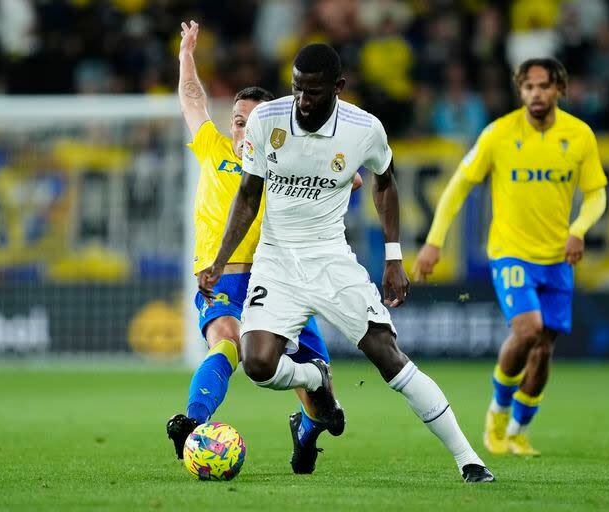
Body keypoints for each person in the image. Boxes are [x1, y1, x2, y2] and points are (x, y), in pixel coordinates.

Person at [198, 43, 494, 483]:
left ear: (338, 88)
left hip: (331, 259)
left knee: (387, 357)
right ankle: (315, 377)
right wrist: (220, 260)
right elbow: (248, 194)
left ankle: (469, 459)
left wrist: (394, 257)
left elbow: (385, 183)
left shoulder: (363, 129)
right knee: (257, 365)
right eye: (297, 89)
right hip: (276, 261)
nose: (302, 100)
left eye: (314, 92)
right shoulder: (267, 119)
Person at [167, 22, 360, 474]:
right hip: (223, 277)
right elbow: (193, 100)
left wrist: (346, 174)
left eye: (252, 122)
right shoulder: (213, 149)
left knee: (320, 391)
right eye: (237, 121)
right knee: (227, 343)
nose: (241, 130)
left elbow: (340, 172)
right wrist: (186, 55)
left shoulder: (288, 162)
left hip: (281, 279)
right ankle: (192, 423)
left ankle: (306, 430)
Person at [414, 58, 607, 456]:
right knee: (528, 330)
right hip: (510, 253)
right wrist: (434, 241)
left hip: (557, 258)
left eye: (543, 86)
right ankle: (498, 411)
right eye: (528, 87)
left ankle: (517, 429)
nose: (536, 93)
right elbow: (457, 186)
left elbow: (596, 194)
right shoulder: (498, 134)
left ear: (559, 90)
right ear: (520, 92)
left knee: (544, 347)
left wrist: (578, 229)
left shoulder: (580, 136)